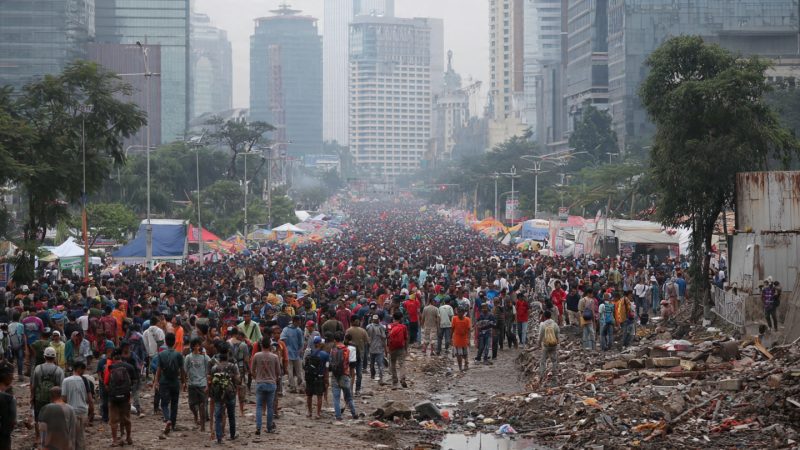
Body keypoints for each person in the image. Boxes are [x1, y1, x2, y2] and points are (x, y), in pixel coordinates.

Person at [154, 332, 185, 436]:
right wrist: (183, 382)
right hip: (175, 381)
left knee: (164, 403)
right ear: (174, 342)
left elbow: (159, 369)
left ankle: (167, 419)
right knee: (174, 403)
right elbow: (182, 370)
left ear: (165, 342)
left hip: (164, 381)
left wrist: (156, 381)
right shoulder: (178, 355)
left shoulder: (161, 354)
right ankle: (173, 424)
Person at [31, 346, 65, 439]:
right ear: (54, 357)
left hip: (39, 398)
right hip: (53, 399)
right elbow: (61, 387)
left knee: (38, 417)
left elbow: (33, 385)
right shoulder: (59, 370)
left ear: (44, 356)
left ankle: (38, 437)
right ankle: (51, 436)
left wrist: (32, 397)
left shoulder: (38, 368)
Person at [209, 344, 239, 443]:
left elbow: (211, 380)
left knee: (218, 416)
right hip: (230, 393)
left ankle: (219, 438)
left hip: (218, 394)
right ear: (227, 357)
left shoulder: (214, 368)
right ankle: (232, 435)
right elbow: (237, 379)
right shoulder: (233, 366)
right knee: (231, 415)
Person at [105, 349, 135, 447]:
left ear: (113, 357)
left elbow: (106, 383)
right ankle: (128, 438)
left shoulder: (109, 367)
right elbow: (134, 381)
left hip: (113, 398)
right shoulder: (129, 367)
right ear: (121, 356)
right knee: (127, 418)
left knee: (113, 420)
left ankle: (114, 440)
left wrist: (111, 392)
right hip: (126, 397)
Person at [61, 361, 92, 450]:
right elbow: (89, 399)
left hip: (71, 412)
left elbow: (64, 398)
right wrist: (91, 411)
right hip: (83, 411)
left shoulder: (66, 381)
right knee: (81, 436)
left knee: (71, 437)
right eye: (83, 370)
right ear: (79, 369)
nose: (83, 372)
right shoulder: (85, 380)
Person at [251, 337, 279, 434]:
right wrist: (274, 378)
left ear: (261, 345)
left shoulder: (256, 355)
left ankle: (258, 427)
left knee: (259, 406)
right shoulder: (275, 357)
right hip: (271, 384)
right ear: (270, 346)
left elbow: (252, 370)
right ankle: (269, 427)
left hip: (260, 383)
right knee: (270, 407)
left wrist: (257, 378)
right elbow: (278, 372)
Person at [184, 337, 211, 432]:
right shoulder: (188, 357)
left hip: (202, 384)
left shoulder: (205, 357)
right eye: (195, 346)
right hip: (192, 383)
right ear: (192, 346)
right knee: (191, 404)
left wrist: (208, 384)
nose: (197, 347)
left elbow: (210, 367)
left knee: (202, 405)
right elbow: (185, 370)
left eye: (198, 345)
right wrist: (184, 382)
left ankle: (203, 426)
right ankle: (195, 416)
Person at [329, 332, 358, 420]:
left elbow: (330, 362)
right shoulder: (347, 350)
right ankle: (354, 413)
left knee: (336, 398)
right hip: (345, 375)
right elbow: (351, 363)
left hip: (335, 375)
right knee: (348, 397)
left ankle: (338, 416)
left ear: (335, 340)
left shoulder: (333, 350)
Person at [303, 336, 327, 419]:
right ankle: (318, 414)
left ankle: (309, 412)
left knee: (309, 395)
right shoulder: (325, 354)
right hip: (319, 377)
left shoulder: (309, 352)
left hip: (309, 377)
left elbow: (304, 364)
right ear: (320, 343)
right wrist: (326, 380)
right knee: (319, 396)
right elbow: (327, 368)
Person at [343, 315, 368, 395]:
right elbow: (367, 342)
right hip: (359, 354)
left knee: (351, 372)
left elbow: (345, 342)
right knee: (359, 373)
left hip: (350, 355)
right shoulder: (363, 331)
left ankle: (350, 389)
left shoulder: (348, 330)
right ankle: (357, 389)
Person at [280, 315, 305, 393]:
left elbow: (301, 343)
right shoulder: (288, 329)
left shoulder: (296, 330)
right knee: (292, 371)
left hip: (295, 353)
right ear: (294, 321)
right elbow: (282, 340)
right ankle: (294, 387)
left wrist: (300, 350)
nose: (299, 323)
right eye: (298, 322)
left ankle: (298, 387)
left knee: (297, 372)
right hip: (290, 353)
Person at [386, 312, 409, 388]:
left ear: (393, 318)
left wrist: (387, 348)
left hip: (392, 347)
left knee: (393, 364)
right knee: (402, 364)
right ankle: (402, 378)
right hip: (400, 347)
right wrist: (406, 349)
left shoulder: (389, 326)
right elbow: (406, 339)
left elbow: (387, 337)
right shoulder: (403, 327)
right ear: (401, 318)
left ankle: (395, 379)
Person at [538, 310, 559, 386]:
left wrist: (539, 343)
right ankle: (554, 377)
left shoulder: (543, 325)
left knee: (543, 361)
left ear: (544, 316)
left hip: (546, 345)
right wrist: (557, 341)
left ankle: (541, 377)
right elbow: (557, 334)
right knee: (554, 361)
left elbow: (540, 335)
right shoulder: (555, 324)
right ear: (551, 316)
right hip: (553, 345)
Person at [0, 360, 17, 450]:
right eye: (12, 375)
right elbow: (12, 421)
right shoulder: (10, 399)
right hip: (3, 438)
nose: (13, 378)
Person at [365, 315, 386, 383]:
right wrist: (385, 348)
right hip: (379, 348)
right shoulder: (382, 327)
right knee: (380, 364)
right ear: (378, 319)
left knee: (372, 363)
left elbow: (367, 338)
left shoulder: (368, 327)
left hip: (372, 347)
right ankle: (381, 377)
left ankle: (373, 375)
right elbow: (384, 338)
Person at [451, 307, 471, 372]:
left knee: (465, 354)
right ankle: (460, 368)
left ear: (463, 313)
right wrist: (450, 338)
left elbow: (469, 330)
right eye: (458, 312)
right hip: (457, 339)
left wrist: (469, 339)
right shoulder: (454, 318)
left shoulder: (467, 319)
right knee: (458, 355)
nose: (459, 313)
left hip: (464, 339)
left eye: (461, 312)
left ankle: (466, 364)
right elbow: (452, 329)